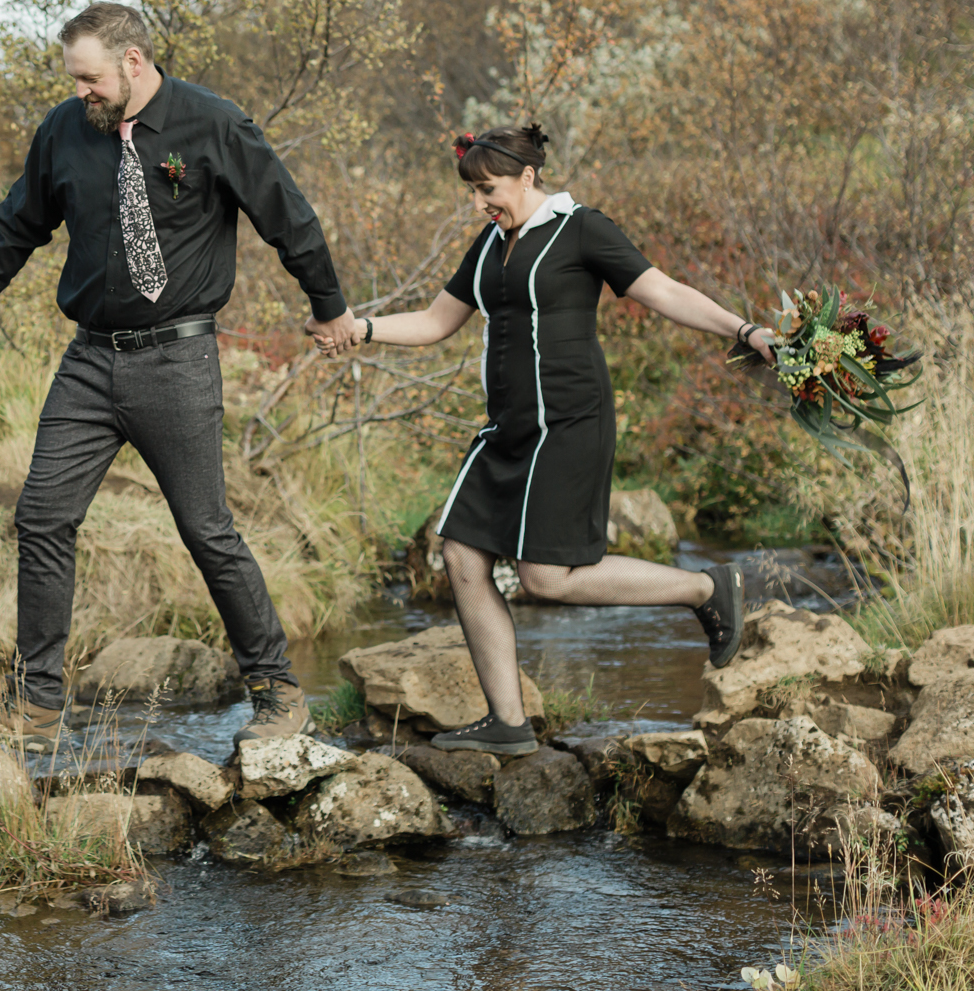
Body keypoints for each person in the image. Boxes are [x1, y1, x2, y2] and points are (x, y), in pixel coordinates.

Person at [0, 1, 361, 751]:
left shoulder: (213, 123)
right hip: (89, 361)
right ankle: (34, 710)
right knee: (42, 518)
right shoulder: (66, 131)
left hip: (177, 361)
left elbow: (286, 216)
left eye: (90, 78)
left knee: (206, 530)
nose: (80, 93)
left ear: (133, 62)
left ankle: (277, 694)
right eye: (74, 79)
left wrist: (327, 307)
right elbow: (17, 221)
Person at [307, 126, 775, 757]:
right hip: (508, 427)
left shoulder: (582, 229)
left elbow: (662, 291)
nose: (479, 204)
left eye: (487, 190)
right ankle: (508, 722)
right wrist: (359, 329)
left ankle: (705, 588)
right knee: (462, 556)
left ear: (527, 177)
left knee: (547, 579)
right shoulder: (490, 244)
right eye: (472, 192)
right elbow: (436, 321)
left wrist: (744, 330)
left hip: (569, 422)